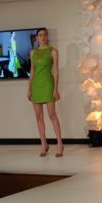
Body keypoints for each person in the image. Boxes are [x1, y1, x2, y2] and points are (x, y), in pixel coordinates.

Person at [27, 27, 63, 157]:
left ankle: (59, 144)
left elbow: (56, 71)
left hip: (48, 84)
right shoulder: (33, 52)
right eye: (40, 35)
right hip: (36, 85)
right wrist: (29, 88)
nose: (43, 37)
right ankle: (44, 145)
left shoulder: (53, 51)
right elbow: (32, 71)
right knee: (38, 116)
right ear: (37, 38)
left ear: (47, 37)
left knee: (52, 115)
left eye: (45, 35)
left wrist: (56, 89)